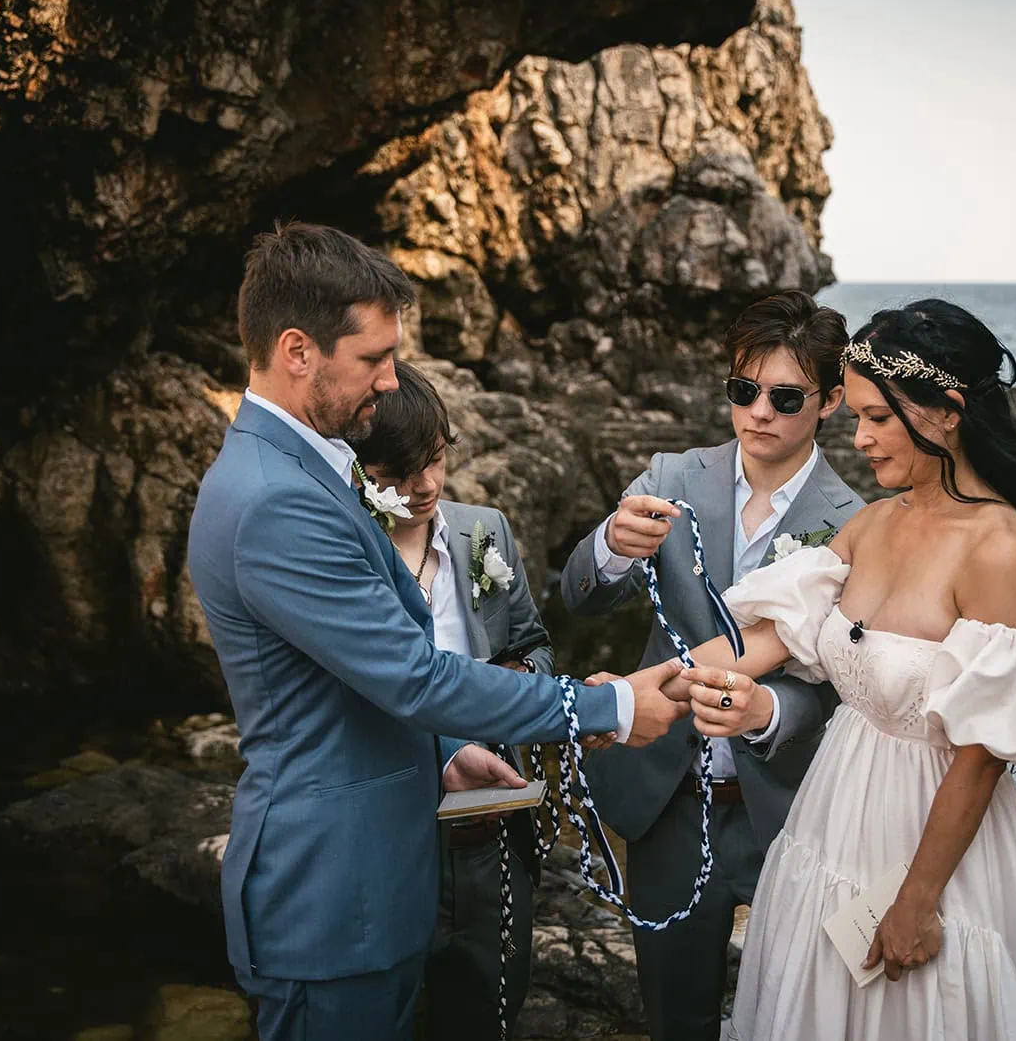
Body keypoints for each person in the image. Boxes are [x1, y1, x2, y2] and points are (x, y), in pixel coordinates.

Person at [186, 222, 687, 1041]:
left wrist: (445, 753)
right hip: (328, 901)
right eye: (374, 357)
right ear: (297, 350)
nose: (391, 380)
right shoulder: (278, 498)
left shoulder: (303, 466)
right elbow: (413, 674)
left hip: (368, 890)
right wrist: (612, 708)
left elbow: (343, 687)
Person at [677, 299, 1016, 1039]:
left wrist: (917, 896)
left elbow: (984, 750)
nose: (860, 438)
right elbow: (762, 641)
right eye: (858, 417)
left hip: (936, 832)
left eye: (877, 418)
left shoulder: (999, 544)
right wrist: (620, 695)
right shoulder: (872, 523)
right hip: (835, 807)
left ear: (945, 411)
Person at [560, 290, 865, 1041]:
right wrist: (608, 544)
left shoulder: (856, 520)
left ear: (828, 402)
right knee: (674, 1016)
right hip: (666, 802)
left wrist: (771, 713)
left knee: (804, 1014)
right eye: (743, 389)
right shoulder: (670, 475)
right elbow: (579, 598)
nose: (758, 411)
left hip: (792, 810)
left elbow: (850, 689)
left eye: (785, 396)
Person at [351, 360, 553, 1040]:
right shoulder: (346, 549)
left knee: (496, 1002)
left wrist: (519, 682)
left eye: (436, 459)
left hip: (490, 820)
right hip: (387, 827)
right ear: (362, 468)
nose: (427, 485)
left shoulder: (484, 528)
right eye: (404, 472)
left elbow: (533, 641)